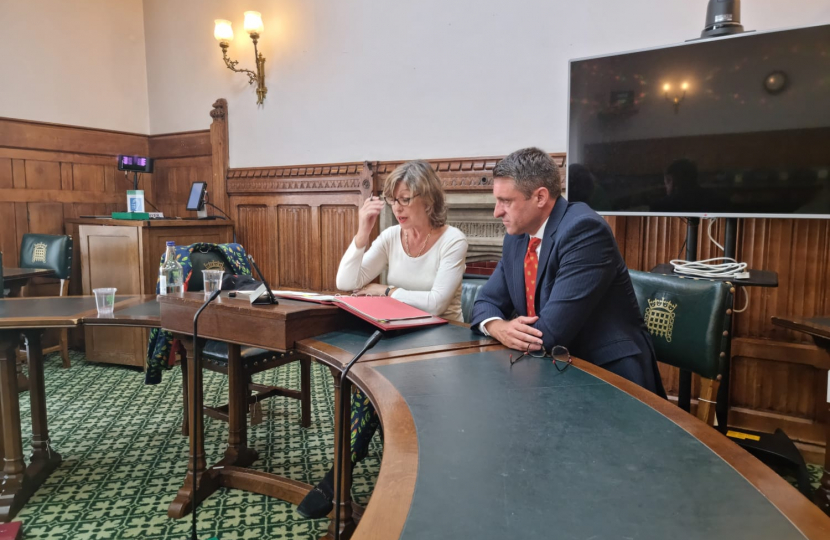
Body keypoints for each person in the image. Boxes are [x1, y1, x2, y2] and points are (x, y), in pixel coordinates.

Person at [297, 160, 468, 519]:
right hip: (401, 334)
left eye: (405, 199)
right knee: (364, 379)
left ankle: (338, 476)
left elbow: (437, 303)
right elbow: (347, 282)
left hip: (446, 340)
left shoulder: (453, 240)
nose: (398, 208)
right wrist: (363, 230)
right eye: (393, 200)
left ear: (429, 199)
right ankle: (348, 470)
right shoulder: (392, 237)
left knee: (386, 384)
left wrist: (387, 290)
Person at [470, 147, 665, 396]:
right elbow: (485, 303)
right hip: (553, 370)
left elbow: (548, 333)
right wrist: (498, 327)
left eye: (506, 201)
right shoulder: (517, 238)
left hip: (607, 379)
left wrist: (508, 331)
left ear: (540, 197)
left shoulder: (584, 231)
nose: (497, 212)